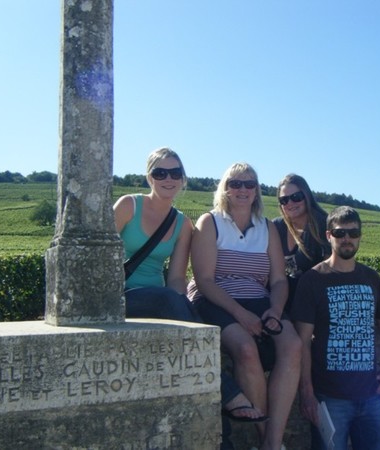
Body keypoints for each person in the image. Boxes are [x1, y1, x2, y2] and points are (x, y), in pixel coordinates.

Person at [113, 148, 266, 445]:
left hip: (157, 302)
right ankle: (232, 394)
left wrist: (183, 317)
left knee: (194, 334)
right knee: (170, 302)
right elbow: (98, 256)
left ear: (183, 179)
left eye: (175, 173)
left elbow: (176, 278)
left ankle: (225, 439)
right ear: (149, 177)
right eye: (160, 173)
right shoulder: (128, 206)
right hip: (118, 296)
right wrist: (174, 304)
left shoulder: (182, 223)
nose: (168, 179)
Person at [188, 162, 302, 450]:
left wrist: (275, 311)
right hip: (216, 299)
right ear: (224, 188)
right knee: (247, 350)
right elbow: (204, 280)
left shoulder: (266, 228)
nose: (242, 189)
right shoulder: (210, 223)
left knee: (293, 346)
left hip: (259, 300)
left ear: (256, 191)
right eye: (235, 183)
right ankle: (266, 441)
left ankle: (273, 442)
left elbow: (278, 280)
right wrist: (241, 315)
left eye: (249, 184)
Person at [290, 206, 380, 450]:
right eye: (340, 233)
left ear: (360, 236)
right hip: (329, 398)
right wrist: (307, 393)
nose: (347, 239)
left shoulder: (371, 278)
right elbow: (303, 341)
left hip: (371, 395)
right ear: (329, 236)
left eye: (353, 233)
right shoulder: (313, 280)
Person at [273, 174, 331, 312]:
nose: (290, 203)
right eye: (284, 200)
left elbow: (332, 272)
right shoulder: (276, 227)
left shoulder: (324, 225)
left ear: (307, 196)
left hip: (313, 304)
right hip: (279, 303)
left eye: (296, 197)